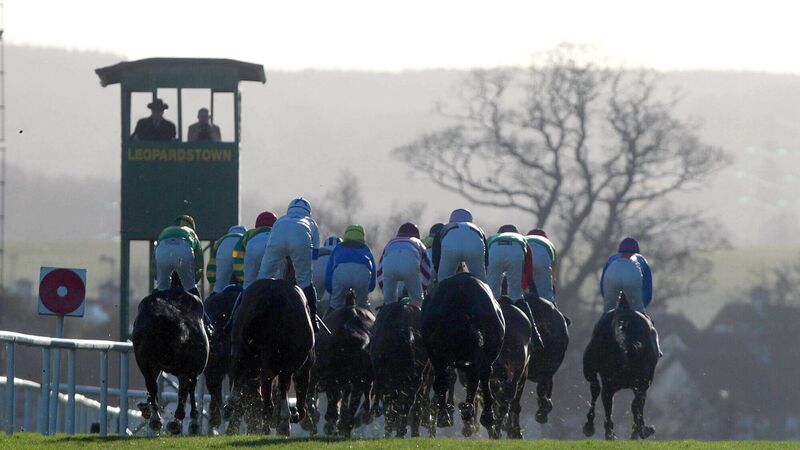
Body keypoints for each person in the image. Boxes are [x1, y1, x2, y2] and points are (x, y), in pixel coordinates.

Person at [258, 198, 321, 331]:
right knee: (305, 281)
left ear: (289, 210)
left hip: (277, 240)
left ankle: (253, 308)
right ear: (308, 212)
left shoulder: (280, 220)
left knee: (263, 278)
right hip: (301, 240)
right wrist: (304, 269)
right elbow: (314, 255)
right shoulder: (311, 223)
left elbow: (269, 246)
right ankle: (313, 319)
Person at [600, 237, 661, 356]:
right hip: (633, 274)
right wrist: (640, 308)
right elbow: (647, 291)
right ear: (637, 251)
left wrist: (610, 303)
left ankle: (594, 349)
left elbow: (603, 287)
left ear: (620, 250)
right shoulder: (641, 259)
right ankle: (656, 350)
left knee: (605, 317)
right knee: (643, 317)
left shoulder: (612, 258)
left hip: (612, 274)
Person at [377, 222, 432, 307]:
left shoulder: (391, 242)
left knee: (389, 303)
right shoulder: (418, 242)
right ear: (417, 235)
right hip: (410, 267)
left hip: (389, 268)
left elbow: (380, 270)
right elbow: (427, 268)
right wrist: (422, 289)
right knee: (417, 301)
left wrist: (385, 291)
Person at [325, 224, 377, 310]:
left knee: (335, 306)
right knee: (363, 307)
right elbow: (373, 271)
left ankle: (330, 314)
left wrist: (331, 289)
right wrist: (369, 289)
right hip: (362, 275)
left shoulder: (338, 247)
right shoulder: (366, 249)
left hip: (341, 275)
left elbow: (329, 270)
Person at [432, 208, 488, 282]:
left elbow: (436, 253)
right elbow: (486, 254)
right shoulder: (477, 228)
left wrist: (438, 272)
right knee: (480, 281)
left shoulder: (445, 227)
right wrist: (484, 271)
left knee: (444, 280)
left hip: (451, 246)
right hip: (474, 244)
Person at [231, 211, 277, 289]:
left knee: (248, 285)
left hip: (252, 252)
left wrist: (241, 277)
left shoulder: (249, 233)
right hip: (274, 250)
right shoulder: (277, 232)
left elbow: (236, 253)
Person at [206, 224, 246, 294]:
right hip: (239, 254)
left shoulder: (221, 240)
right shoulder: (246, 238)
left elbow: (211, 267)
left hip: (221, 285)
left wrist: (214, 286)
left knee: (219, 289)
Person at [524, 228, 558, 304]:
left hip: (524, 254)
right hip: (542, 259)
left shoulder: (524, 240)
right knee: (546, 299)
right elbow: (553, 278)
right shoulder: (549, 245)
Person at [312, 235, 342, 299]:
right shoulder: (340, 252)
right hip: (332, 277)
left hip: (315, 276)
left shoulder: (318, 253)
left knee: (315, 299)